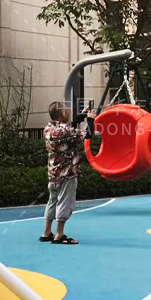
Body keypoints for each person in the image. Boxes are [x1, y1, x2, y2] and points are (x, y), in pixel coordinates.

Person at [41, 101, 93, 245]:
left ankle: (47, 232)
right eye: (67, 110)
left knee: (52, 201)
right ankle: (59, 234)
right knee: (65, 202)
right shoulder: (66, 131)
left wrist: (79, 118)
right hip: (67, 174)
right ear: (63, 113)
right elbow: (88, 135)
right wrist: (90, 119)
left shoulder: (48, 128)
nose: (69, 111)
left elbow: (66, 131)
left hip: (53, 174)